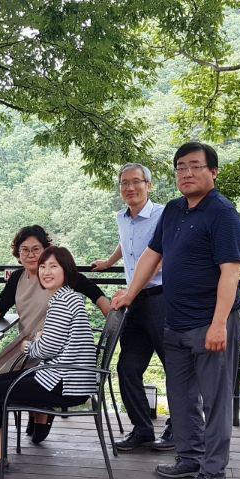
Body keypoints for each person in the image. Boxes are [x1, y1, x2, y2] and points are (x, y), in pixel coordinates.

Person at [112, 141, 240, 479]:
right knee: (181, 395)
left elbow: (230, 272)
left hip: (212, 322)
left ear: (213, 171)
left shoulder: (223, 214)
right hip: (176, 321)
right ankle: (189, 457)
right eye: (180, 167)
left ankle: (213, 470)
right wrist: (130, 293)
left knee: (215, 399)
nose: (186, 173)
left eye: (195, 166)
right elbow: (151, 256)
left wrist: (219, 323)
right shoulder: (173, 210)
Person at [0, 246, 97, 477]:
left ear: (66, 271)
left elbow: (46, 349)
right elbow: (53, 342)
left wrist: (29, 345)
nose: (46, 272)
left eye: (53, 266)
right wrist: (40, 340)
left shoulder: (63, 302)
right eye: (43, 267)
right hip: (64, 377)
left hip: (63, 383)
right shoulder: (68, 298)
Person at [0, 225, 110, 443]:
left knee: (1, 385)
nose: (30, 255)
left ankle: (37, 415)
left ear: (46, 250)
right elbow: (0, 306)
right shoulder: (17, 278)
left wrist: (115, 320)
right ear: (18, 254)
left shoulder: (61, 277)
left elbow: (97, 296)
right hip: (28, 344)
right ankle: (1, 438)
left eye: (36, 249)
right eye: (24, 250)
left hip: (53, 351)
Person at [91, 163, 173, 452]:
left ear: (149, 185)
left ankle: (179, 429)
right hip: (134, 303)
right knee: (128, 367)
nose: (130, 187)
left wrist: (131, 290)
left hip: (161, 298)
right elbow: (125, 242)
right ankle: (142, 430)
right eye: (124, 183)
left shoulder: (163, 215)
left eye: (136, 182)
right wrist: (108, 262)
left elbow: (160, 259)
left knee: (174, 366)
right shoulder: (122, 217)